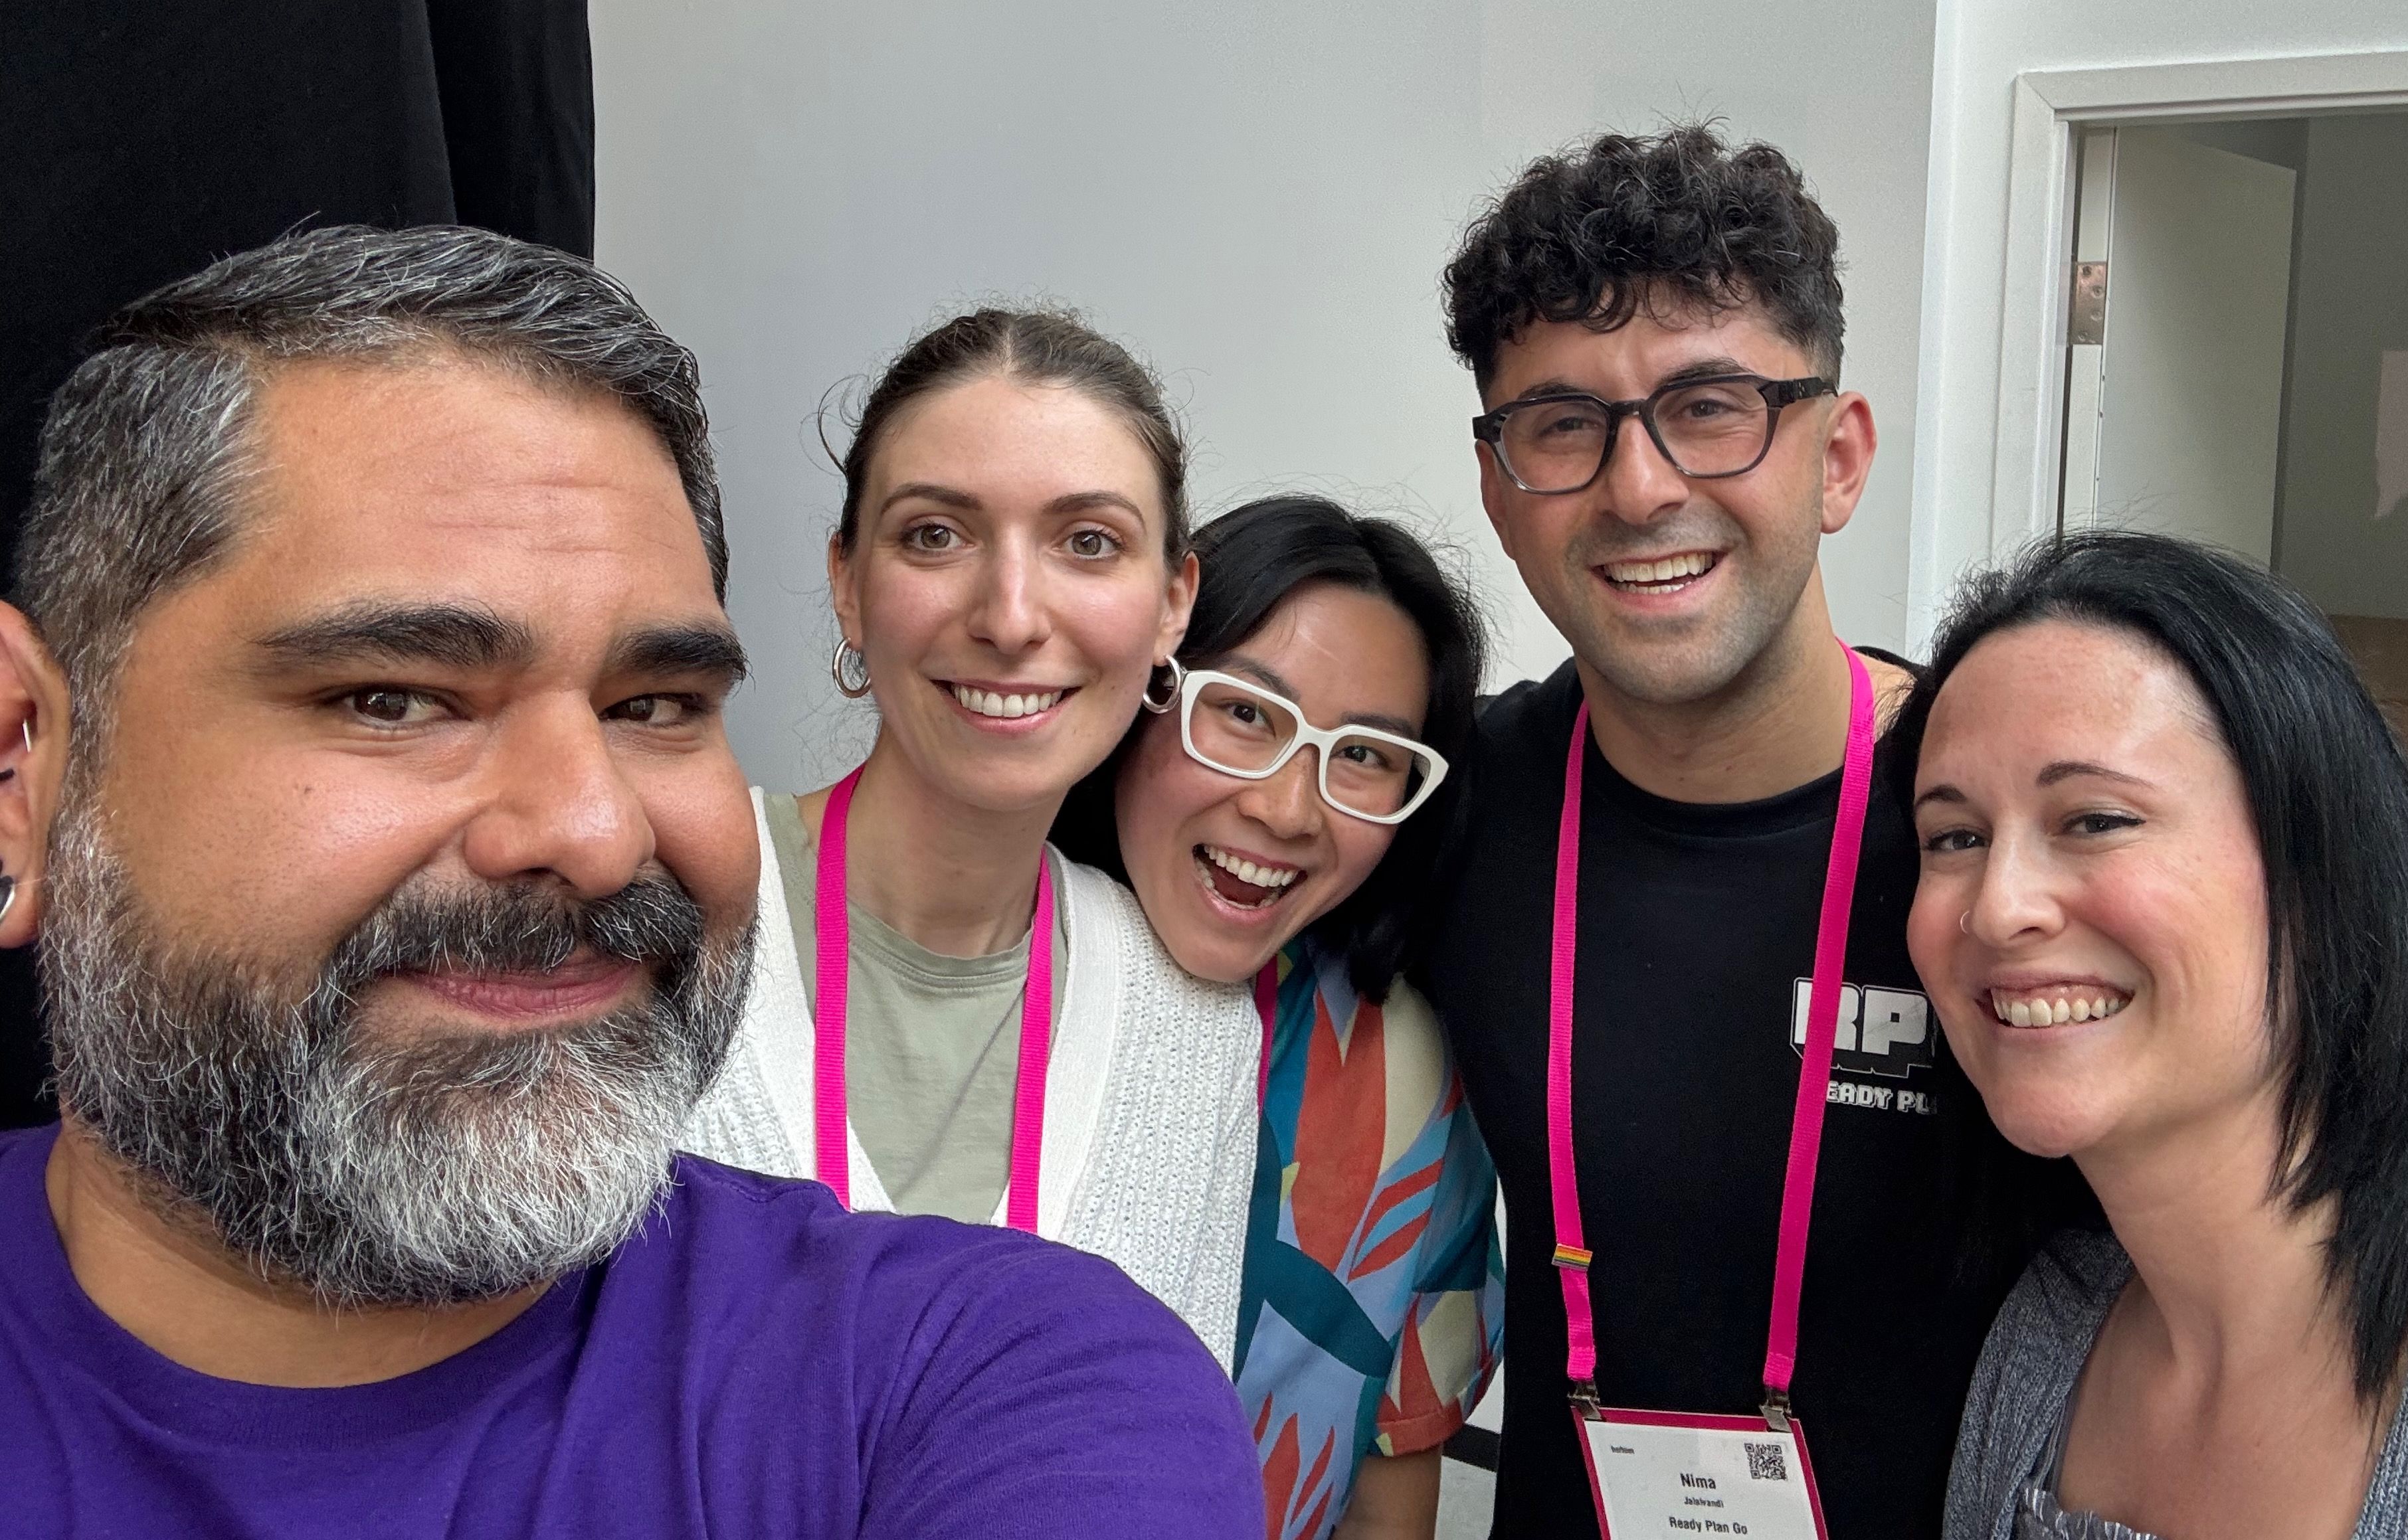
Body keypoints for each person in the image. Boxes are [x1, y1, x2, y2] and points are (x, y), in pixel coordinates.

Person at [0, 227, 1261, 1537]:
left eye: (654, 703)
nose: (600, 835)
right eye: (394, 697)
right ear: (24, 769)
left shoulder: (1003, 1372)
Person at [1418, 126, 2010, 1539]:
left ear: (1838, 459)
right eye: (1563, 424)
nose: (1639, 489)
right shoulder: (1448, 811)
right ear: (1500, 490)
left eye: (1710, 406)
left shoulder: (2002, 840)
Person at [1898, 531, 2408, 1540]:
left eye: (2096, 819)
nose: (2000, 908)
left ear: (2320, 869)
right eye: (1955, 837)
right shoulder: (2044, 1336)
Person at [680, 308, 1259, 1362]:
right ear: (849, 583)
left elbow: (1176, 1433)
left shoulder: (1191, 1024)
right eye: (935, 535)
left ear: (1173, 604)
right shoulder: (669, 914)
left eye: (1089, 543)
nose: (1010, 617)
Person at [1054, 495, 1507, 1540]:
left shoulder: (1403, 1073)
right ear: (1141, 689)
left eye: (1366, 756)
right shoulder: (966, 980)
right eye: (1246, 714)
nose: (1288, 809)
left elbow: (1388, 1489)